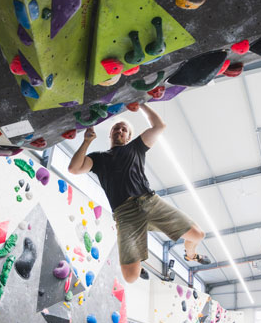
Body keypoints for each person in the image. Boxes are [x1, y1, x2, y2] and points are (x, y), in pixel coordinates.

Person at [68, 102, 210, 283]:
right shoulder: (98, 159)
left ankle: (191, 255)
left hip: (150, 203)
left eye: (124, 130)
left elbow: (159, 126)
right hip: (126, 215)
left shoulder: (136, 147)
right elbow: (74, 168)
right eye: (116, 129)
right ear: (110, 134)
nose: (120, 131)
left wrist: (141, 104)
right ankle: (139, 265)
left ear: (129, 136)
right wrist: (87, 141)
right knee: (131, 277)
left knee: (198, 234)